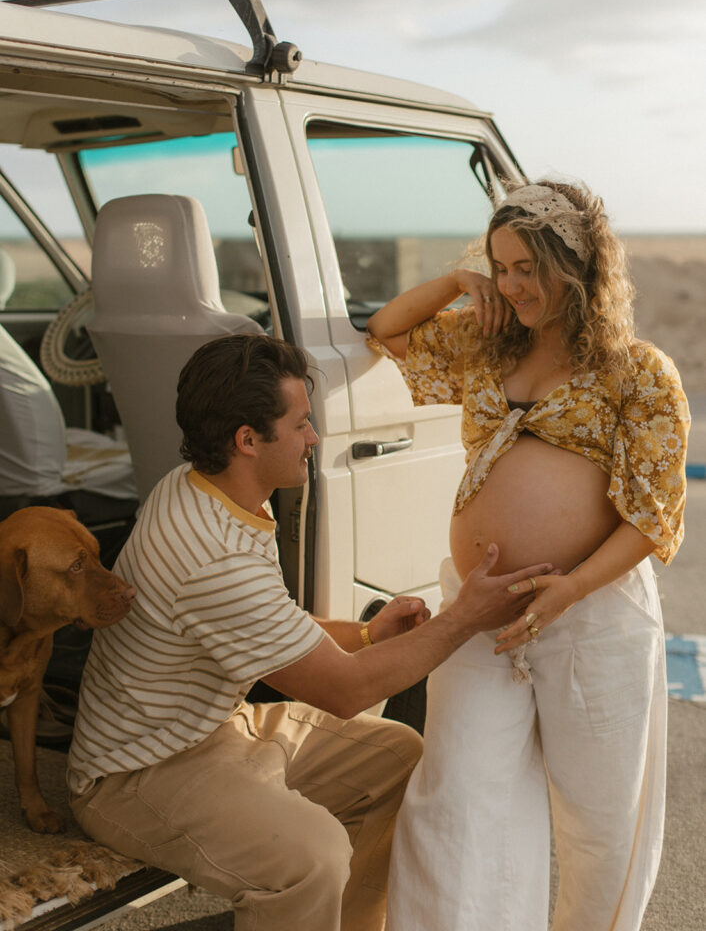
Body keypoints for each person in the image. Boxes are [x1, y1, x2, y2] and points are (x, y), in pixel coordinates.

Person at [67, 332, 552, 931]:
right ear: (247, 441)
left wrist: (372, 636)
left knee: (399, 760)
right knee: (312, 857)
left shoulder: (204, 487)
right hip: (136, 771)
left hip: (211, 729)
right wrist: (465, 617)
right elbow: (343, 691)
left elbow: (275, 626)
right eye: (300, 424)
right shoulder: (212, 557)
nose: (315, 438)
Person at [367, 180, 690, 931]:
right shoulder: (483, 342)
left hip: (592, 612)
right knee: (456, 796)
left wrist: (570, 588)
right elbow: (387, 330)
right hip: (477, 612)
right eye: (500, 266)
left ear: (575, 269)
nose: (511, 286)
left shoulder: (638, 371)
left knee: (600, 818)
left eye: (526, 269)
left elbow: (652, 516)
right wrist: (457, 281)